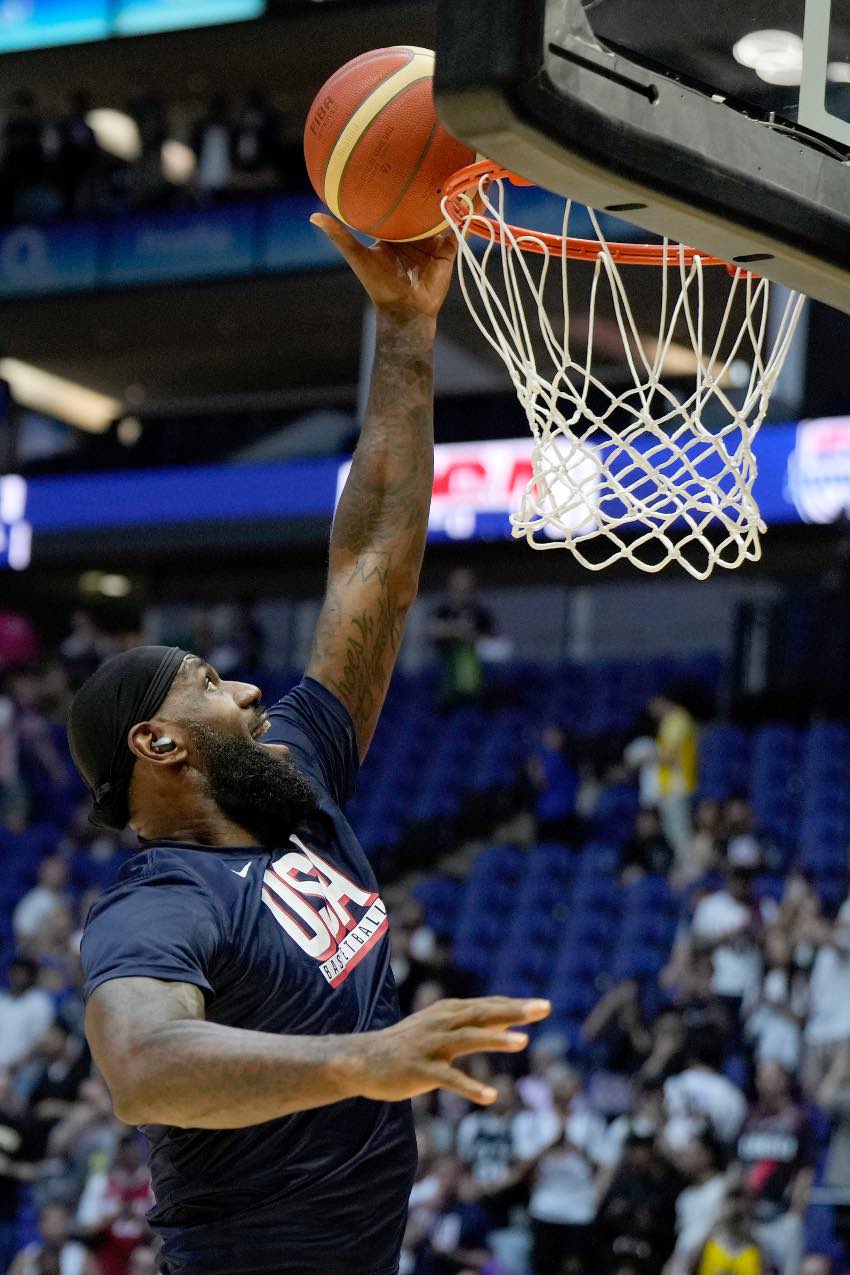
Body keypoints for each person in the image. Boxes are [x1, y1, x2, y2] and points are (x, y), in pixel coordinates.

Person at [66, 220, 550, 1275]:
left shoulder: (291, 780)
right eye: (208, 683)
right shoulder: (162, 901)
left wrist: (406, 327)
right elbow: (143, 1065)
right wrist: (363, 1059)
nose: (245, 688)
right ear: (157, 744)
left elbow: (374, 559)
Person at [735, 1060, 815, 1275]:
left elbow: (806, 1168)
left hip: (783, 1216)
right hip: (751, 1218)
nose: (765, 1082)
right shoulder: (749, 1118)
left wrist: (796, 1212)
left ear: (785, 1081)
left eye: (771, 1077)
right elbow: (739, 1166)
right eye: (761, 1077)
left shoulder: (799, 1119)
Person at [428, 569, 495, 709]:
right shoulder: (443, 612)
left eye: (466, 589)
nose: (461, 593)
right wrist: (457, 631)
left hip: (480, 683)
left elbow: (496, 642)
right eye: (457, 589)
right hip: (447, 683)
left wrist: (473, 637)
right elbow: (432, 630)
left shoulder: (481, 615)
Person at [646, 692, 698, 867]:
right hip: (671, 786)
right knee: (674, 834)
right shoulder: (672, 721)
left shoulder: (677, 720)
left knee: (680, 834)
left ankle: (689, 869)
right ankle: (684, 867)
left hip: (678, 785)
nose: (652, 712)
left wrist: (645, 755)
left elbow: (668, 756)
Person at [7, 1201, 99, 1275]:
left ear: (67, 1224)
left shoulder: (81, 1256)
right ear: (40, 1225)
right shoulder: (27, 1256)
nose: (54, 1228)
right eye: (50, 1222)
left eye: (58, 1222)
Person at [693, 1189, 764, 1275]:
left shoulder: (755, 1250)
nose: (736, 1206)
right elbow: (684, 1266)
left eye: (739, 1217)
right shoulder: (708, 1242)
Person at [0, 958, 54, 1070]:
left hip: (25, 1069)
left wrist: (13, 1067)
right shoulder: (3, 1000)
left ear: (30, 975)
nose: (16, 976)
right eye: (14, 972)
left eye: (21, 972)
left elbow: (42, 1039)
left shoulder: (39, 1001)